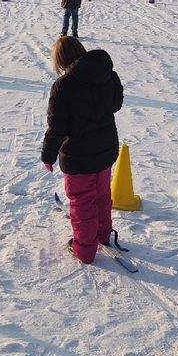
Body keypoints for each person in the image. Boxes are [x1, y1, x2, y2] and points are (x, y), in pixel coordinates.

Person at [41, 36, 124, 264]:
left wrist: (48, 155)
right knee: (101, 196)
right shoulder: (106, 73)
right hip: (105, 149)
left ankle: (85, 250)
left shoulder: (63, 86)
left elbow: (57, 126)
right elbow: (115, 104)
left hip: (78, 157)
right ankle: (102, 235)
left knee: (82, 202)